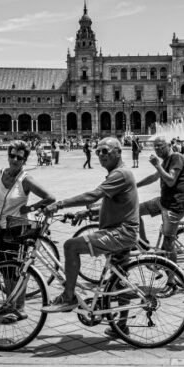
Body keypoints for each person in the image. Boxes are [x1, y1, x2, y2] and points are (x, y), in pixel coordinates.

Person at [41, 138, 139, 325]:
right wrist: (87, 213)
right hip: (124, 232)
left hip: (120, 233)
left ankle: (68, 296)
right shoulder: (119, 173)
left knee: (71, 246)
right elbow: (114, 203)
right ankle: (122, 325)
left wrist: (59, 204)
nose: (101, 155)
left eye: (105, 151)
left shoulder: (120, 174)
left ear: (118, 152)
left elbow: (93, 195)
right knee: (119, 277)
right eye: (98, 152)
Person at [0, 140, 55, 324]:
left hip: (18, 229)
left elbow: (50, 198)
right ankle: (9, 303)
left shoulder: (26, 180)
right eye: (12, 156)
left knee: (18, 270)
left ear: (25, 160)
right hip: (0, 228)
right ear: (8, 156)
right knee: (5, 269)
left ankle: (20, 308)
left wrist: (30, 208)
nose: (15, 160)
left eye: (20, 157)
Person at [137, 136, 184, 281]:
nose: (157, 149)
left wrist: (157, 165)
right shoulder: (166, 161)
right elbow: (154, 177)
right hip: (163, 202)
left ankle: (172, 282)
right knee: (135, 211)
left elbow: (171, 181)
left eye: (160, 146)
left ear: (168, 145)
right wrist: (135, 186)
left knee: (168, 243)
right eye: (155, 146)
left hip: (175, 205)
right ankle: (144, 244)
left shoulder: (176, 157)